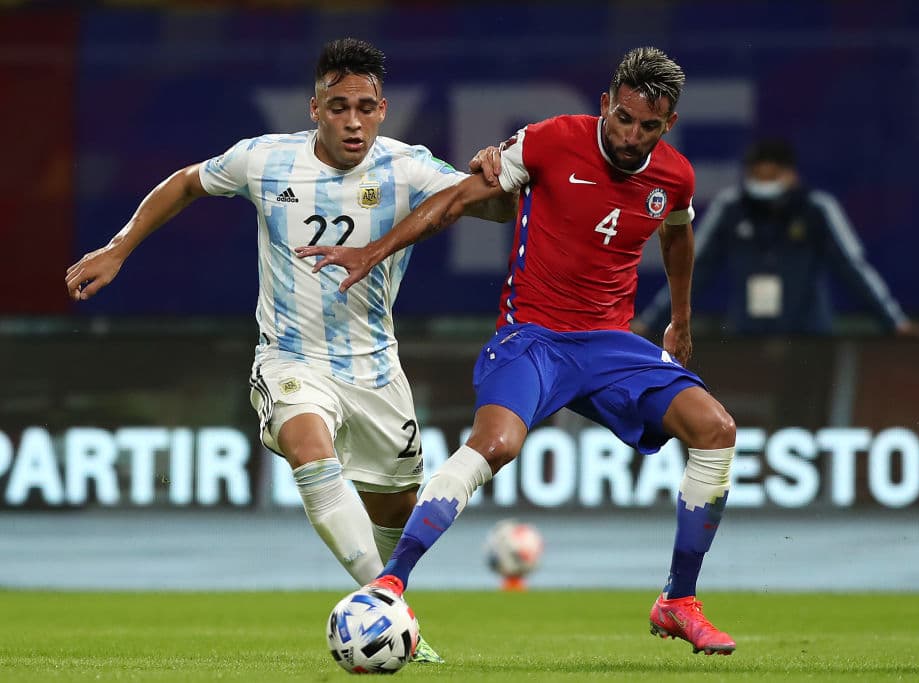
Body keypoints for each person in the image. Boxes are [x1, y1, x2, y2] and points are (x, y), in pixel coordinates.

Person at [65, 37, 510, 665]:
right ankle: (389, 613)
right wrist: (118, 247)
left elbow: (495, 207)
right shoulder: (264, 161)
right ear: (314, 109)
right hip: (290, 358)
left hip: (377, 372)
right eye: (337, 107)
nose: (351, 121)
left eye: (364, 107)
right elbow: (186, 183)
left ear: (383, 110)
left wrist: (504, 171)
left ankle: (389, 594)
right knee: (308, 444)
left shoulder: (408, 168)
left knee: (396, 508)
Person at [297, 46, 738, 656]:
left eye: (650, 127)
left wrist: (681, 323)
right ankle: (392, 583)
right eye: (624, 119)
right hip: (531, 336)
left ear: (669, 126)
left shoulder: (675, 176)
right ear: (606, 104)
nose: (633, 135)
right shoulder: (551, 140)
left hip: (610, 344)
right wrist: (374, 252)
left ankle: (678, 601)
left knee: (715, 429)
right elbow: (456, 199)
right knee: (497, 445)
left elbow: (678, 236)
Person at [633, 138, 919, 337]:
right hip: (747, 337)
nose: (763, 185)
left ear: (791, 175)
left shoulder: (817, 209)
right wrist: (651, 323)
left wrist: (894, 323)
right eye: (758, 177)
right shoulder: (730, 209)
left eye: (771, 177)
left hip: (809, 336)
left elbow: (853, 269)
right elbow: (691, 268)